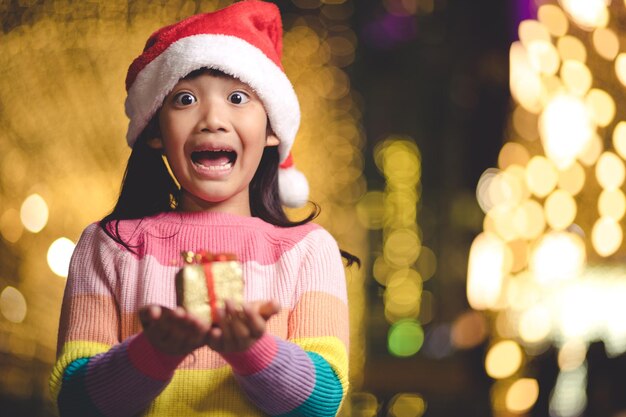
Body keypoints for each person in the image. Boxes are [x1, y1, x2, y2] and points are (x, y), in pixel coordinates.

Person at [49, 1, 353, 416]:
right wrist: (154, 351)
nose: (213, 118)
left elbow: (322, 404)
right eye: (186, 98)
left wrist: (252, 349)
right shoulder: (108, 246)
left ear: (270, 130)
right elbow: (78, 402)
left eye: (238, 97)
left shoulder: (309, 251)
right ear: (155, 131)